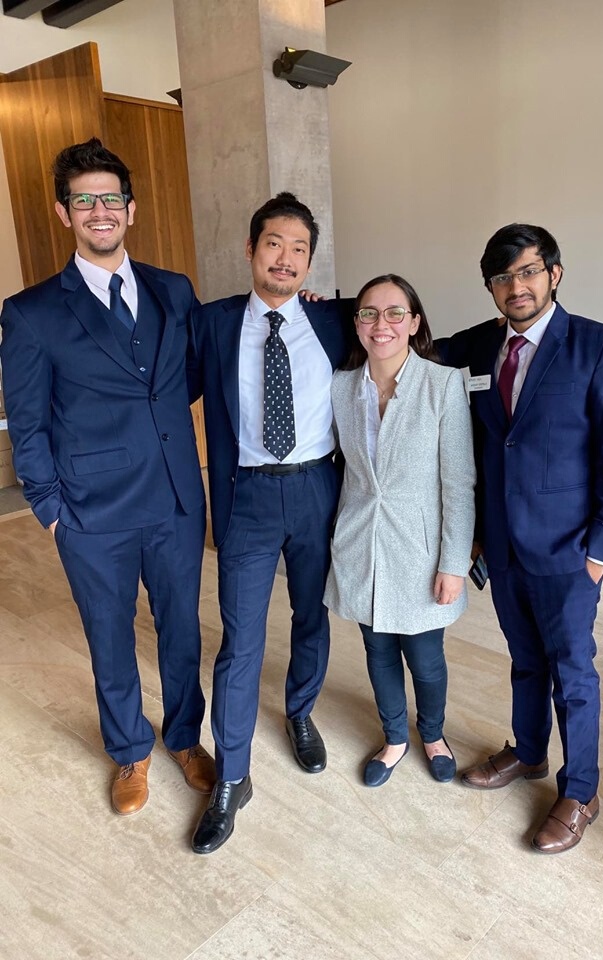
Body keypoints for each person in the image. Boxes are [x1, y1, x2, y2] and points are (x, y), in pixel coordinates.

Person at [0, 138, 214, 816]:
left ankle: (183, 736)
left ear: (131, 208)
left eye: (109, 198)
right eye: (83, 200)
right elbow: (26, 422)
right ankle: (128, 750)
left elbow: (192, 378)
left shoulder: (173, 289)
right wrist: (50, 507)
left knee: (182, 627)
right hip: (93, 512)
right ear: (65, 214)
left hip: (177, 499)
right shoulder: (31, 312)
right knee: (110, 636)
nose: (99, 210)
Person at [437, 223, 603, 854]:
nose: (515, 287)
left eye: (527, 272)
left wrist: (600, 554)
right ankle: (527, 754)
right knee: (524, 661)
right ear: (490, 288)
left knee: (572, 672)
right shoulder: (474, 349)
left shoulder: (600, 346)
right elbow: (400, 334)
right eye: (502, 278)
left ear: (555, 273)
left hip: (570, 552)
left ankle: (580, 789)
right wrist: (323, 309)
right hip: (502, 547)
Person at [189, 192, 354, 854]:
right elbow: (164, 392)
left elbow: (408, 337)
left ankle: (300, 712)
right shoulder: (214, 323)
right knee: (240, 638)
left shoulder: (337, 321)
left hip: (318, 487)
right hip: (248, 497)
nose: (285, 258)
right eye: (274, 244)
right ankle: (232, 776)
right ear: (252, 251)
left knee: (311, 618)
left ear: (309, 262)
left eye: (299, 249)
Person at [324, 274, 475, 787]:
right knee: (378, 650)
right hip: (361, 543)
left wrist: (454, 564)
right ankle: (394, 737)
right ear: (357, 323)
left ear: (413, 323)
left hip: (421, 548)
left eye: (394, 313)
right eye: (368, 313)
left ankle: (432, 734)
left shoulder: (443, 383)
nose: (380, 323)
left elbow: (458, 483)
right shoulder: (341, 386)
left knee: (426, 657)